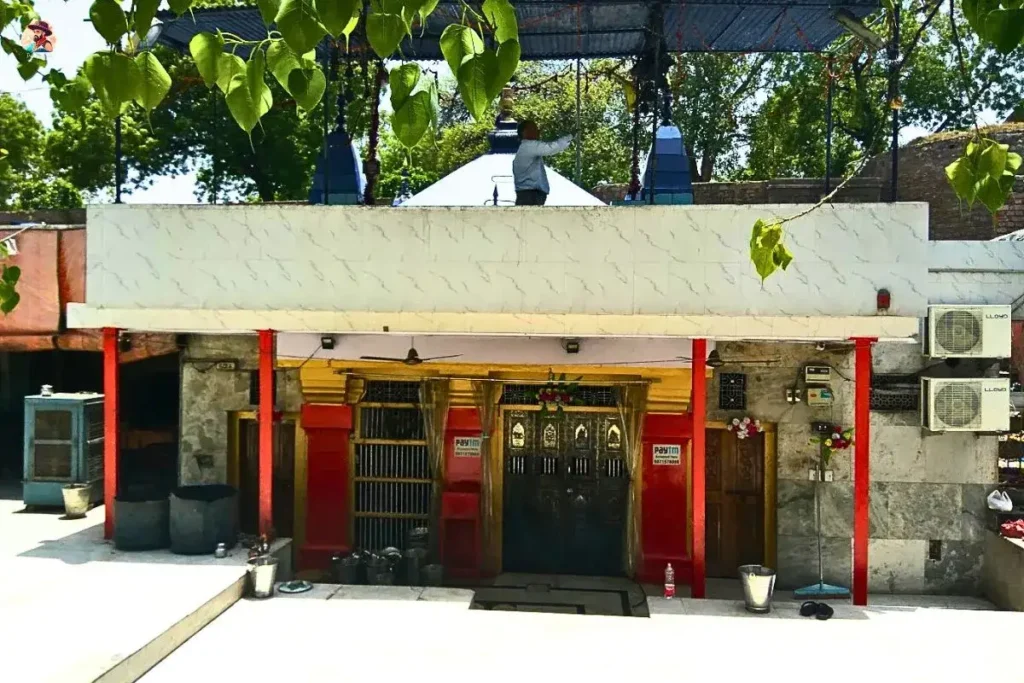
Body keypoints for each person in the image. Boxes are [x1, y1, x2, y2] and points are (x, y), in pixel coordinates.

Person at [512, 120, 572, 206]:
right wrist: (569, 137)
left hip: (528, 194)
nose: (538, 131)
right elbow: (551, 148)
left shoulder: (524, 148)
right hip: (530, 195)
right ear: (524, 132)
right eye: (534, 128)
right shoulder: (529, 146)